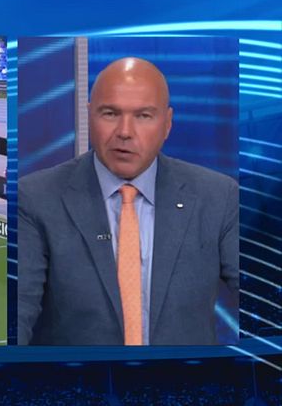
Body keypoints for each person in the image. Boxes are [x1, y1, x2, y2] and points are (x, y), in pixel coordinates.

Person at [17, 57, 239, 346]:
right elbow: (18, 315)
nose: (124, 131)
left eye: (143, 116)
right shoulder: (36, 198)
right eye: (110, 114)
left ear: (167, 123)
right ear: (89, 115)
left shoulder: (219, 197)